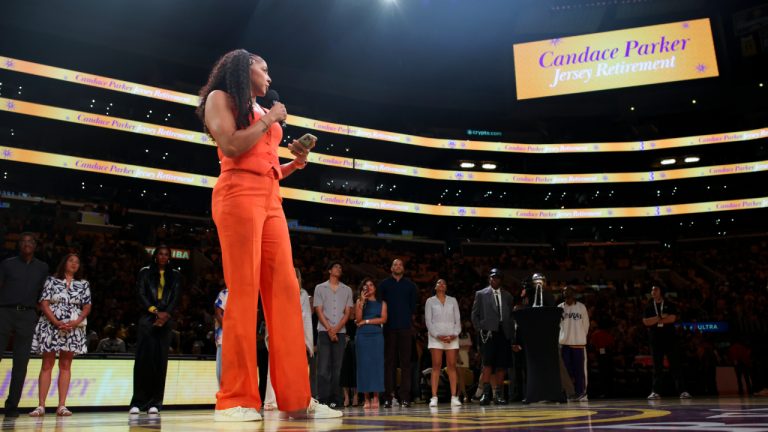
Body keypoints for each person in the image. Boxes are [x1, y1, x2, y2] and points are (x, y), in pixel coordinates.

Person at [198, 48, 340, 421]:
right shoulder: (220, 98)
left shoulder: (262, 112)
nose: (270, 78)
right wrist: (270, 120)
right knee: (243, 293)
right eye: (265, 70)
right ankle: (235, 399)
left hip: (270, 197)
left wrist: (294, 162)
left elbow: (267, 167)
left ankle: (296, 398)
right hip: (237, 194)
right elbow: (231, 145)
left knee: (286, 294)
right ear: (246, 70)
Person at [28, 253, 92, 417]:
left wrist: (76, 321)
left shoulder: (83, 284)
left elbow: (86, 306)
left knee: (65, 365)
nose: (74, 264)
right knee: (47, 364)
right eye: (71, 260)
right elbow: (44, 303)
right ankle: (41, 406)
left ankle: (62, 406)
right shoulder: (51, 280)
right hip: (51, 325)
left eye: (77, 262)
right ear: (64, 262)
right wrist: (56, 322)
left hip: (73, 327)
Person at [0, 232, 49, 418]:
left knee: (21, 364)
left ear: (35, 245)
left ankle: (12, 407)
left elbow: (45, 293)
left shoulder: (42, 267)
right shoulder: (7, 264)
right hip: (4, 312)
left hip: (27, 315)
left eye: (30, 241)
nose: (26, 244)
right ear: (18, 245)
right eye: (23, 241)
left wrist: (35, 309)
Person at [129, 245, 181, 415]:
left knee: (160, 362)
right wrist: (155, 311)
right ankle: (138, 402)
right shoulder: (144, 272)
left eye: (166, 254)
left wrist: (165, 314)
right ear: (155, 256)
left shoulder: (175, 275)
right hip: (147, 318)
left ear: (169, 257)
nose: (163, 257)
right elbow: (140, 294)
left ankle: (155, 403)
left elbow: (175, 297)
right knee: (144, 361)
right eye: (160, 254)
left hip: (165, 320)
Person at [264, 268, 314, 410]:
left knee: (294, 370)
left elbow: (305, 317)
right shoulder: (276, 292)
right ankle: (272, 400)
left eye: (295, 276)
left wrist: (307, 341)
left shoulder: (303, 294)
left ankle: (295, 399)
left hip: (296, 336)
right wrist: (271, 336)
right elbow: (271, 314)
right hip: (280, 334)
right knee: (275, 368)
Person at [470, 268, 514, 405]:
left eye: (498, 278)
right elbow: (474, 315)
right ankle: (486, 394)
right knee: (487, 365)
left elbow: (511, 317)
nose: (495, 280)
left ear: (501, 280)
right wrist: (480, 329)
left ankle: (498, 395)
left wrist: (511, 335)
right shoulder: (481, 294)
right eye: (493, 277)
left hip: (503, 332)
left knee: (501, 365)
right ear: (489, 279)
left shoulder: (508, 296)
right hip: (487, 333)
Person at [314, 262, 354, 408]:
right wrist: (330, 330)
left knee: (338, 368)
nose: (339, 268)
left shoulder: (347, 290)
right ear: (330, 270)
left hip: (340, 333)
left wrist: (336, 330)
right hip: (324, 331)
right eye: (336, 266)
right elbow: (319, 311)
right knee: (323, 368)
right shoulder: (320, 288)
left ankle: (336, 399)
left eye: (340, 267)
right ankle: (322, 398)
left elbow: (348, 313)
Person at [379, 258, 418, 408]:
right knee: (389, 363)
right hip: (388, 328)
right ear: (391, 268)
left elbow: (413, 308)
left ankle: (405, 397)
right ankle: (388, 397)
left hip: (405, 328)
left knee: (405, 364)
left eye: (400, 264)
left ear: (403, 268)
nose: (397, 266)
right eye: (395, 264)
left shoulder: (410, 286)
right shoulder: (384, 285)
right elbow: (380, 305)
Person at [642, 285, 691, 400]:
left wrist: (655, 320)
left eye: (655, 289)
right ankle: (655, 392)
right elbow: (646, 322)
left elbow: (672, 318)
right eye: (652, 289)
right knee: (657, 367)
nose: (653, 291)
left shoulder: (670, 304)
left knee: (675, 365)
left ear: (661, 291)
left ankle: (682, 391)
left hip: (670, 339)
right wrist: (660, 317)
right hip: (655, 340)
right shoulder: (648, 306)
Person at [424, 279, 462, 407]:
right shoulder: (430, 301)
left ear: (446, 287)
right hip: (436, 337)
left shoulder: (453, 300)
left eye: (444, 283)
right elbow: (428, 322)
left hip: (452, 336)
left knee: (452, 366)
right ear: (435, 287)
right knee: (436, 365)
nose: (441, 285)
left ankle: (454, 396)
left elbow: (458, 320)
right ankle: (434, 397)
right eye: (439, 283)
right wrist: (438, 335)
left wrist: (454, 334)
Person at [354, 277, 387, 409]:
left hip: (376, 336)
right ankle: (366, 398)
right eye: (366, 286)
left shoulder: (382, 303)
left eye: (371, 285)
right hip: (362, 336)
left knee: (377, 366)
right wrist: (362, 302)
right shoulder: (359, 302)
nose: (369, 287)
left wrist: (367, 322)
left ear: (375, 288)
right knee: (364, 366)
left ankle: (376, 396)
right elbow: (358, 319)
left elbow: (383, 319)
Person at [558, 285, 590, 402]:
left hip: (578, 344)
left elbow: (586, 325)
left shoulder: (581, 307)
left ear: (574, 294)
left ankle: (581, 393)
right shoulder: (559, 308)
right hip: (564, 344)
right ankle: (569, 393)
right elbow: (557, 327)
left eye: (569, 291)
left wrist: (580, 336)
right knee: (566, 371)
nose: (567, 293)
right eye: (565, 292)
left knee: (580, 371)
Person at [214, 286, 228, 387]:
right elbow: (218, 313)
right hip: (224, 338)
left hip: (240, 339)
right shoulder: (225, 292)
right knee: (222, 372)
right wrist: (229, 332)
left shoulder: (246, 294)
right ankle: (222, 396)